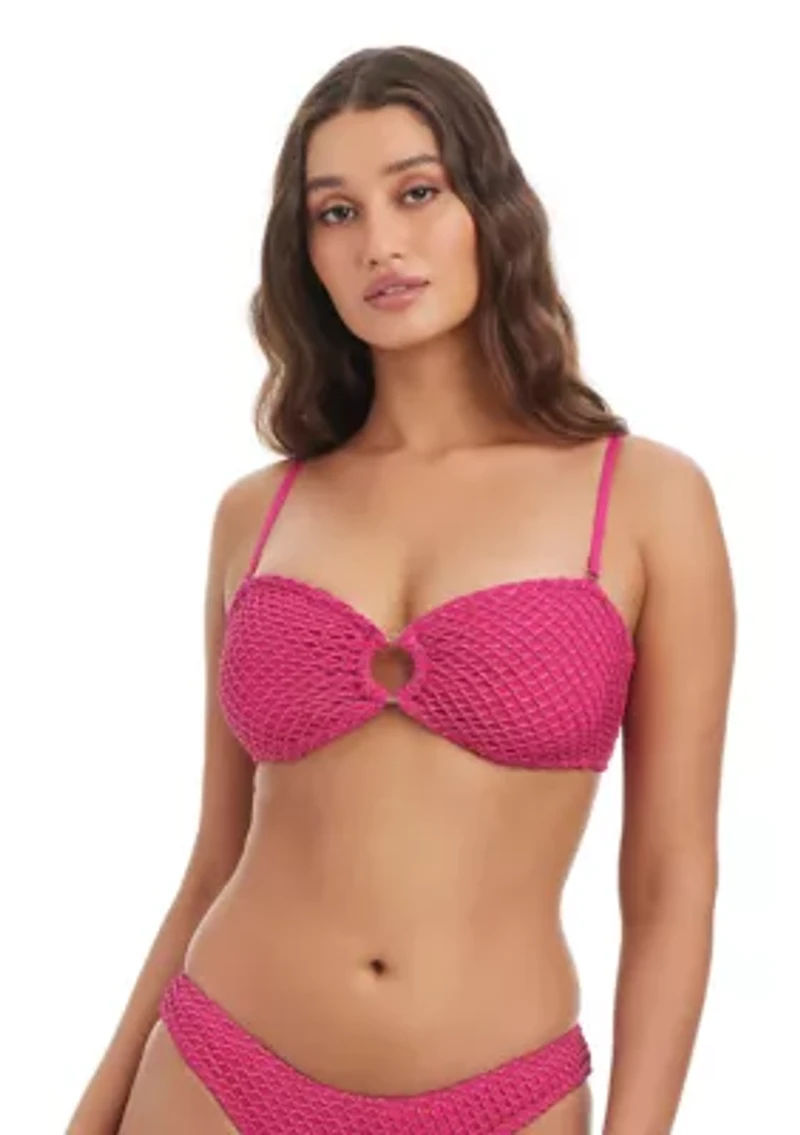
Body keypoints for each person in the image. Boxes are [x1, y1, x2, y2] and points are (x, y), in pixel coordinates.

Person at [67, 44, 736, 1135]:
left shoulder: (646, 500)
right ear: (307, 256)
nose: (378, 242)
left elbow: (669, 880)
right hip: (214, 1072)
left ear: (490, 209)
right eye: (335, 212)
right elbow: (215, 856)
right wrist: (94, 1110)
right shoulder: (258, 512)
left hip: (500, 1097)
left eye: (415, 192)